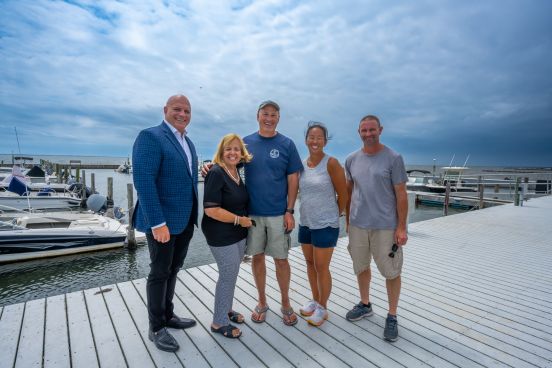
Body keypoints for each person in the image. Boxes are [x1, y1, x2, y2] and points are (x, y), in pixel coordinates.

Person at [202, 100, 303, 326]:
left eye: (273, 114)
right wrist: (209, 165)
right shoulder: (245, 143)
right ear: (258, 116)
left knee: (281, 260)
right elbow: (229, 164)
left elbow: (293, 178)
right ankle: (262, 301)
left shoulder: (287, 144)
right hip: (252, 216)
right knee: (257, 258)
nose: (269, 118)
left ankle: (286, 303)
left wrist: (290, 210)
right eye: (265, 114)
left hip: (279, 213)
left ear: (278, 118)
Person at [132, 94, 198, 352]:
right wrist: (157, 222)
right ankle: (156, 326)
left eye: (187, 111)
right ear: (165, 110)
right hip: (162, 223)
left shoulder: (188, 142)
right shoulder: (150, 136)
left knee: (175, 268)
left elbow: (185, 178)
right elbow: (144, 180)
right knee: (160, 272)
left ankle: (168, 315)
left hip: (184, 221)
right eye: (177, 109)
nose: (182, 114)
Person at [344, 114, 408, 342]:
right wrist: (348, 222)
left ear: (380, 130)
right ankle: (365, 303)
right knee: (361, 266)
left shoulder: (393, 158)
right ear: (359, 132)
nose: (368, 134)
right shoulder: (351, 159)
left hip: (386, 227)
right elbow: (350, 191)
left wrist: (401, 227)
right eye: (364, 130)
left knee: (392, 271)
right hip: (358, 225)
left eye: (372, 130)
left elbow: (401, 194)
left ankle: (392, 315)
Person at [202, 133, 254, 339]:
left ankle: (227, 310)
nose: (233, 153)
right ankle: (219, 322)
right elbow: (211, 210)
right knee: (227, 276)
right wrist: (240, 220)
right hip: (220, 234)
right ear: (221, 152)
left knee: (231, 274)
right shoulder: (216, 172)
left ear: (241, 153)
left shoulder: (236, 171)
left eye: (236, 149)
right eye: (228, 149)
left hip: (237, 233)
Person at [298, 122, 347, 326]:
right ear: (306, 139)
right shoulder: (301, 164)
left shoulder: (332, 163)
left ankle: (323, 308)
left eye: (319, 138)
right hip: (306, 222)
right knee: (310, 265)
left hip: (326, 224)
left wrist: (335, 213)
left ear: (325, 141)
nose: (315, 141)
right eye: (311, 137)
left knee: (321, 267)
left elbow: (344, 194)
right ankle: (315, 300)